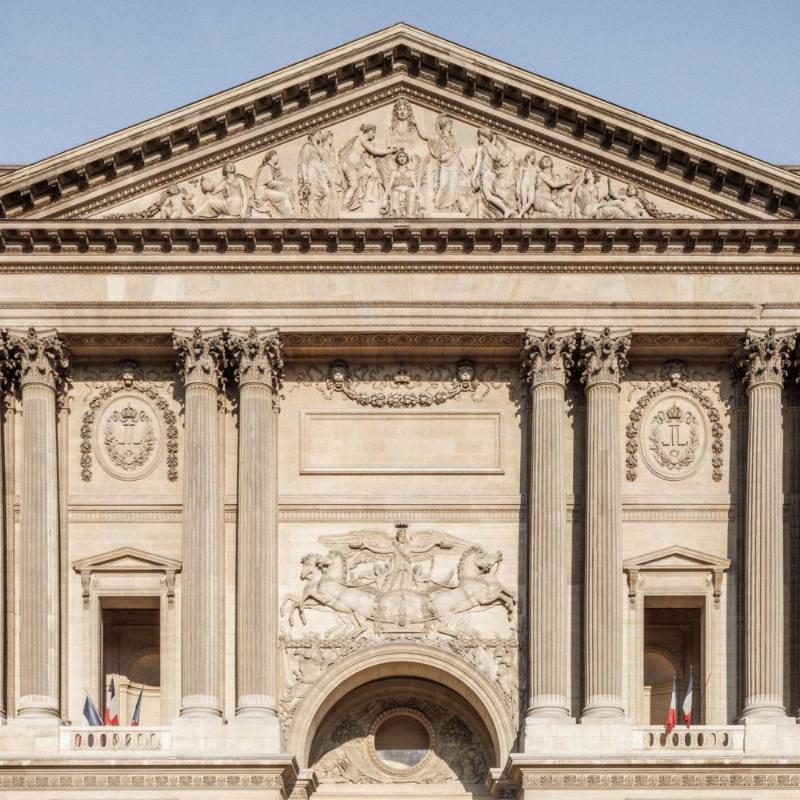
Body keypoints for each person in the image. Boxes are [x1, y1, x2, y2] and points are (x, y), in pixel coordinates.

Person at [339, 123, 397, 211]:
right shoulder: (362, 139)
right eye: (373, 132)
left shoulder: (361, 139)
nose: (374, 135)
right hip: (349, 165)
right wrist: (390, 151)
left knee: (356, 184)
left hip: (352, 166)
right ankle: (344, 205)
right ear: (368, 131)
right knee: (354, 185)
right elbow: (374, 151)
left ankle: (351, 205)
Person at [380, 149, 422, 217]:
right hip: (397, 190)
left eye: (403, 156)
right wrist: (385, 196)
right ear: (397, 159)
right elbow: (389, 186)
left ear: (407, 159)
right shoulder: (394, 172)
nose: (402, 158)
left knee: (413, 191)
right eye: (400, 156)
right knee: (395, 193)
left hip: (408, 190)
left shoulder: (411, 172)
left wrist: (420, 195)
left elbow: (415, 185)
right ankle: (397, 214)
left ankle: (410, 214)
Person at [252, 150, 293, 217]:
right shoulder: (267, 167)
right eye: (275, 156)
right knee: (284, 197)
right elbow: (270, 183)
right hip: (262, 193)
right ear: (271, 158)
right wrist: (282, 184)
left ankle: (283, 215)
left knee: (283, 192)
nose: (277, 158)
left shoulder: (269, 168)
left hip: (264, 192)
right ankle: (289, 216)